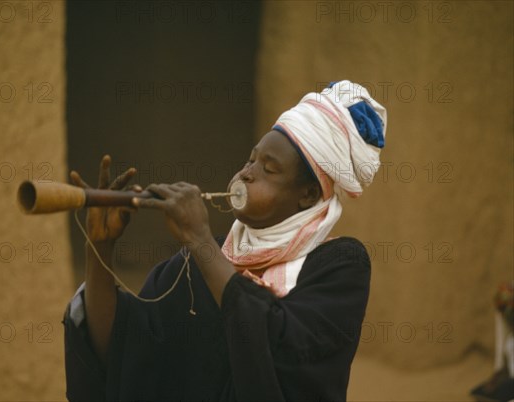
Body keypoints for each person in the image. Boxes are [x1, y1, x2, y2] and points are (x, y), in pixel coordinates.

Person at [63, 80, 387, 402]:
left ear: (308, 195)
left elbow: (282, 354)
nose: (247, 173)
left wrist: (200, 242)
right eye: (250, 160)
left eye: (269, 169)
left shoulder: (340, 264)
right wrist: (100, 248)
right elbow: (123, 353)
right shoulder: (194, 264)